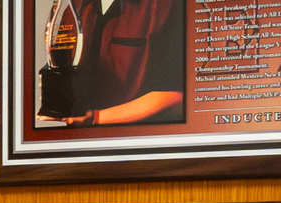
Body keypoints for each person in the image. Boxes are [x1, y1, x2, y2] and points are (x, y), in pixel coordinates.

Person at [55, 0, 184, 126]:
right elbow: (61, 74)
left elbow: (176, 92)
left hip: (137, 138)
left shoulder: (164, 6)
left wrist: (96, 118)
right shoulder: (73, 7)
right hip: (80, 141)